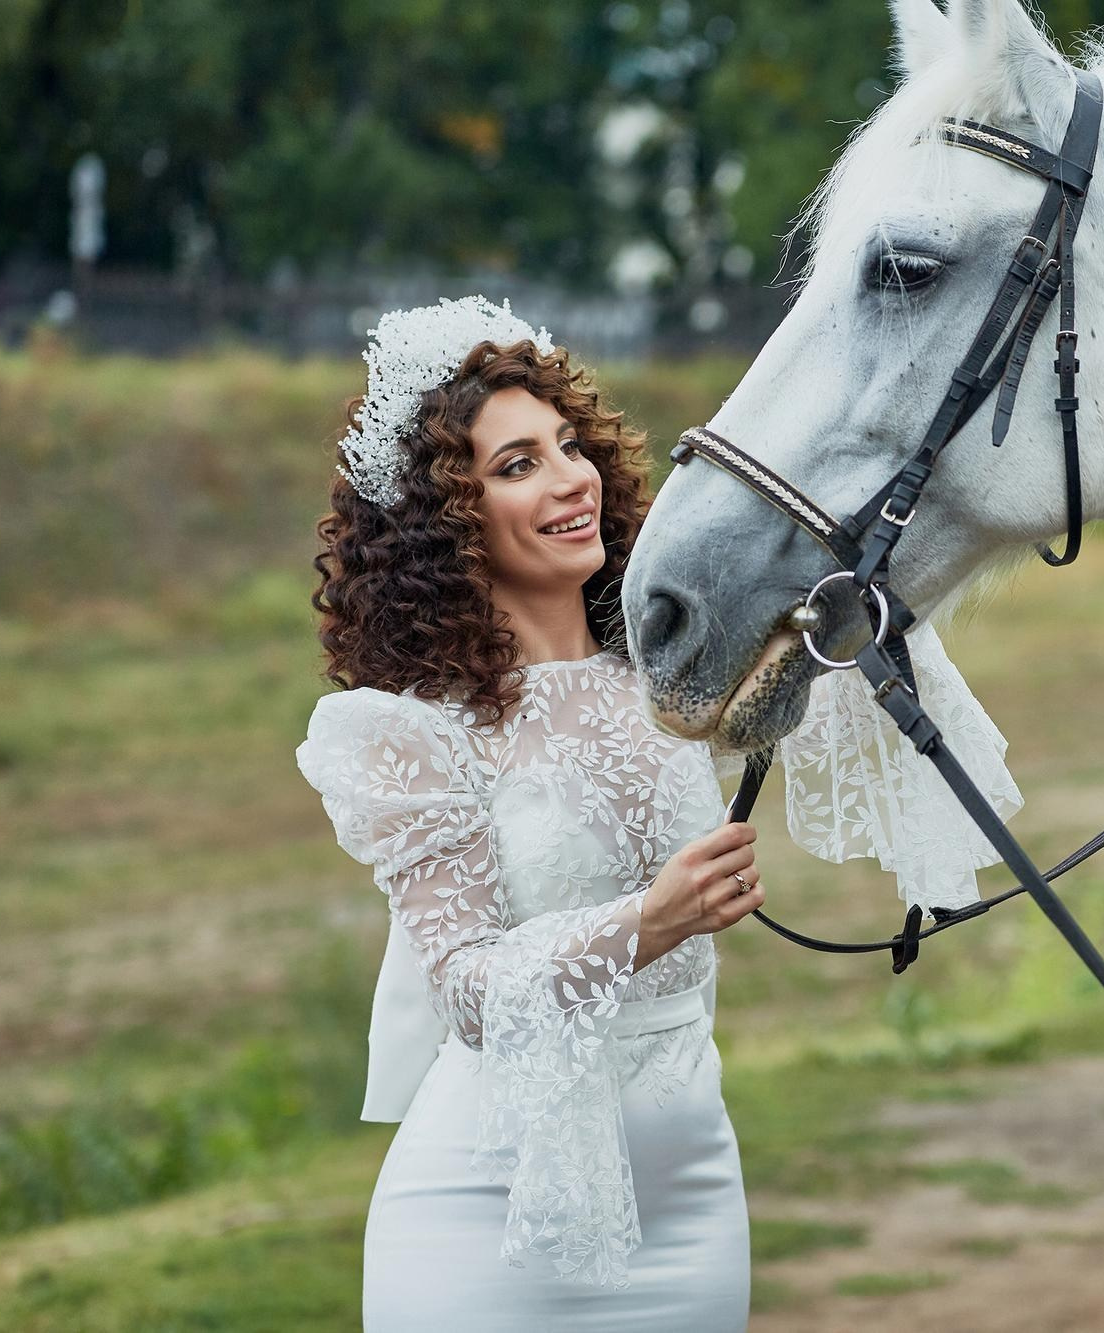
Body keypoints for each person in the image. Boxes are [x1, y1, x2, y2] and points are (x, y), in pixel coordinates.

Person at [296, 296, 763, 1330]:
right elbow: (462, 987)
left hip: (694, 1199)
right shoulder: (413, 733)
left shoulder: (670, 679)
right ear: (445, 522)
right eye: (515, 465)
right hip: (490, 1217)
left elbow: (846, 666)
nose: (568, 481)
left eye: (567, 446)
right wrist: (648, 923)